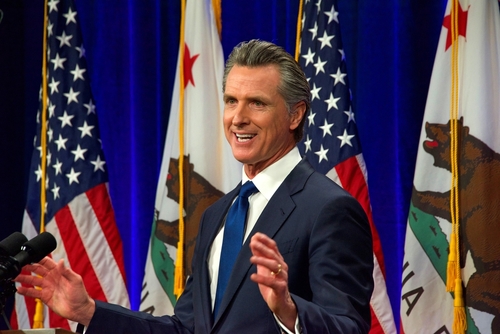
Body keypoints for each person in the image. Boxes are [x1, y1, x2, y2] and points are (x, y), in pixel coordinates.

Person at [15, 39, 374, 333]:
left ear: (295, 115)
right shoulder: (218, 213)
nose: (238, 117)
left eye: (257, 103)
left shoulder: (329, 208)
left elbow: (349, 328)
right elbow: (187, 329)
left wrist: (289, 310)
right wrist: (89, 311)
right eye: (231, 101)